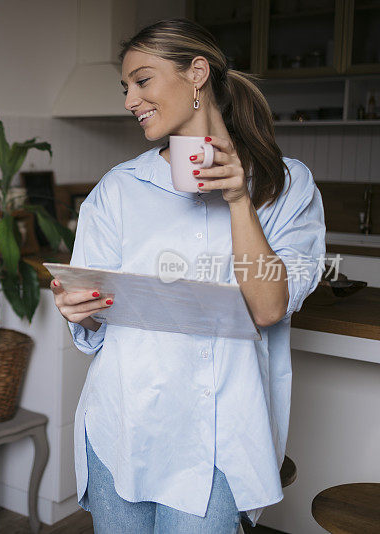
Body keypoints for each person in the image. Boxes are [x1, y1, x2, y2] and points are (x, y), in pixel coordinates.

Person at [50, 18, 326, 533]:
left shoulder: (286, 185)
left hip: (221, 434)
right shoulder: (118, 188)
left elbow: (267, 308)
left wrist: (240, 199)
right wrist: (80, 312)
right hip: (121, 424)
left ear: (196, 73)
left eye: (143, 80)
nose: (131, 99)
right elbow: (96, 328)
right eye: (125, 87)